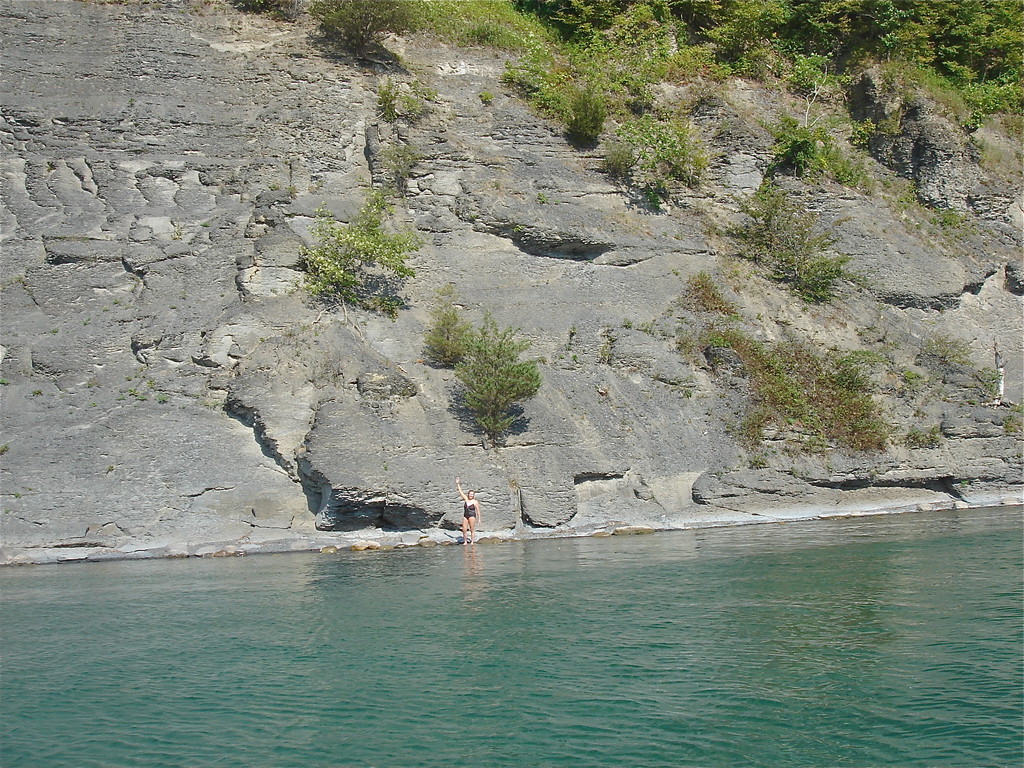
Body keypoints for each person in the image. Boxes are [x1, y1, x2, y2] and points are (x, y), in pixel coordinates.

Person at [456, 477, 481, 544]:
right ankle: (465, 541)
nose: (471, 495)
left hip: (472, 515)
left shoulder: (475, 502)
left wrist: (479, 519)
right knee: (464, 529)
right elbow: (460, 492)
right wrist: (458, 484)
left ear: (473, 495)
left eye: (472, 494)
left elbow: (478, 511)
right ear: (468, 494)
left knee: (472, 529)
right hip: (465, 515)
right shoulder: (466, 499)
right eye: (470, 494)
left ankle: (472, 541)